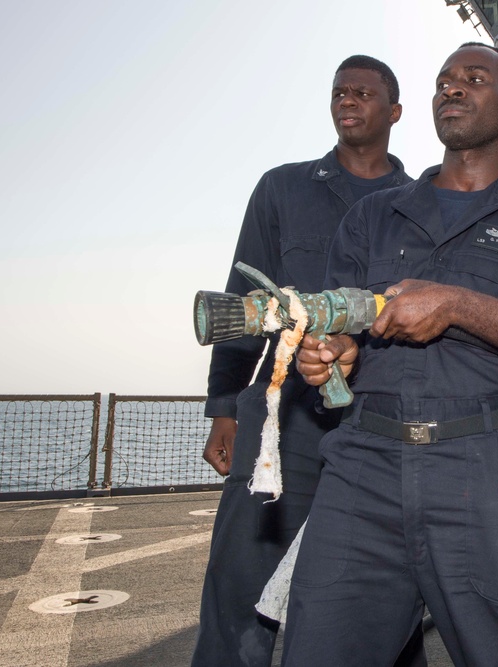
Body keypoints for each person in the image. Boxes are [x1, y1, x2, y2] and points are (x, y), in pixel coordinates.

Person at [284, 43, 498, 666]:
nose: (451, 89)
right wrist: (330, 355)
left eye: (473, 79)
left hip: (487, 469)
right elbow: (336, 319)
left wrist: (458, 303)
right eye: (443, 80)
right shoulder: (373, 216)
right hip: (362, 467)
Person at [191, 55, 416, 667]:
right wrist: (224, 408)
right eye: (340, 91)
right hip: (281, 414)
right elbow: (242, 305)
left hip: (377, 418)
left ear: (394, 112)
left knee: (383, 589)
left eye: (364, 93)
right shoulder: (282, 187)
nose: (349, 100)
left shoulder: (422, 202)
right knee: (240, 577)